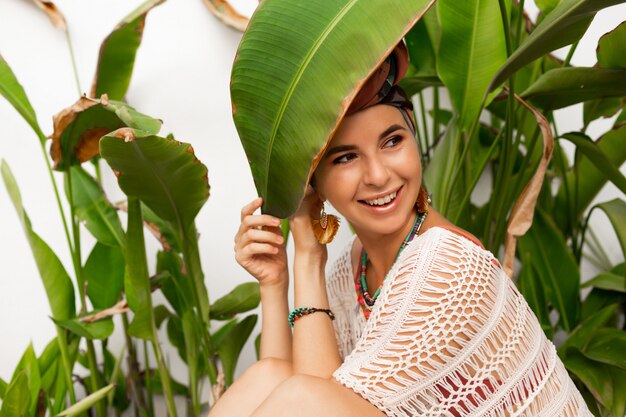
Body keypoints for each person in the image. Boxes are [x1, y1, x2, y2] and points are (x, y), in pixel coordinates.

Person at [209, 42, 592, 417]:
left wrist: (308, 257)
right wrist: (274, 284)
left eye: (392, 141)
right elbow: (281, 385)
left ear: (414, 140)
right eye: (346, 157)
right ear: (315, 185)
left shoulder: (445, 267)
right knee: (268, 376)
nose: (379, 176)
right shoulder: (353, 268)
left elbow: (310, 405)